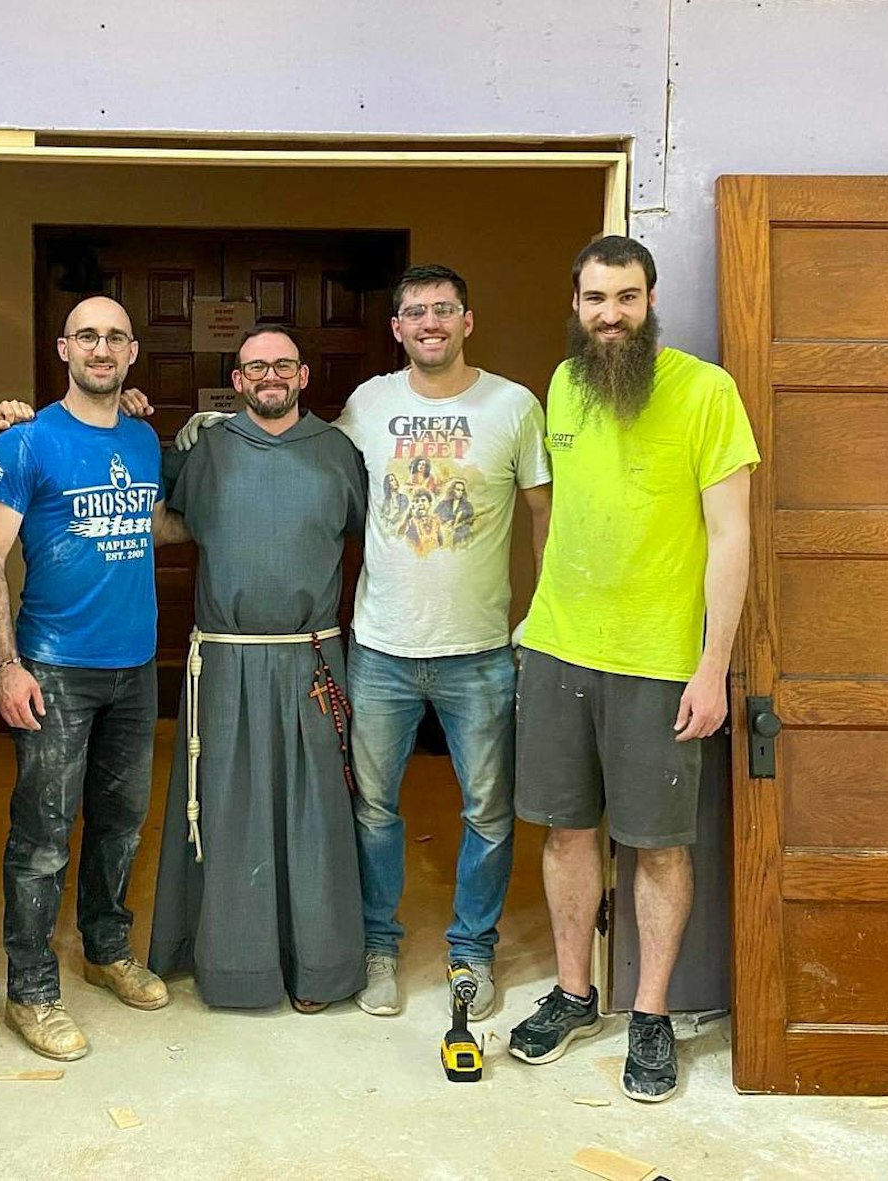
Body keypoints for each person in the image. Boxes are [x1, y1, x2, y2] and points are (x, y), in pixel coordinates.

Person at [506, 235, 756, 1103]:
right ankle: (577, 993)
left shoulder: (705, 392)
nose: (609, 315)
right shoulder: (564, 384)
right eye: (594, 299)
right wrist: (533, 630)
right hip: (559, 646)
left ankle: (648, 1013)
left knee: (658, 842)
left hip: (658, 661)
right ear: (573, 303)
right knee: (565, 828)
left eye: (626, 297)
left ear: (651, 301)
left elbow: (731, 537)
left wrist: (712, 665)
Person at [0, 296, 184, 1062]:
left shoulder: (143, 436)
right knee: (43, 837)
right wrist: (5, 665)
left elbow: (155, 520)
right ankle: (31, 989)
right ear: (63, 347)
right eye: (87, 335)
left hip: (135, 665)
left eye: (116, 337)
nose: (101, 347)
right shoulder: (26, 442)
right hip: (54, 665)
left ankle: (105, 947)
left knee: (123, 821)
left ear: (132, 353)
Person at [337, 265, 551, 1022]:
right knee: (372, 807)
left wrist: (541, 610)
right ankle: (378, 945)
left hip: (481, 650)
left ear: (468, 319)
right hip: (381, 648)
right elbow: (318, 480)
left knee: (490, 810)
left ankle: (472, 950)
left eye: (443, 309)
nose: (429, 322)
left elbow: (541, 511)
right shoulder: (368, 403)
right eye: (414, 312)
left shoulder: (514, 406)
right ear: (396, 328)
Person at [146, 326, 369, 1011]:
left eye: (281, 365)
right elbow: (144, 508)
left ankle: (319, 966)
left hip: (312, 657)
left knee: (315, 815)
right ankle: (227, 963)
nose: (268, 376)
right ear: (236, 381)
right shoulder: (203, 450)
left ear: (302, 375)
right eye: (253, 367)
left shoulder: (340, 453)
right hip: (226, 661)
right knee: (228, 808)